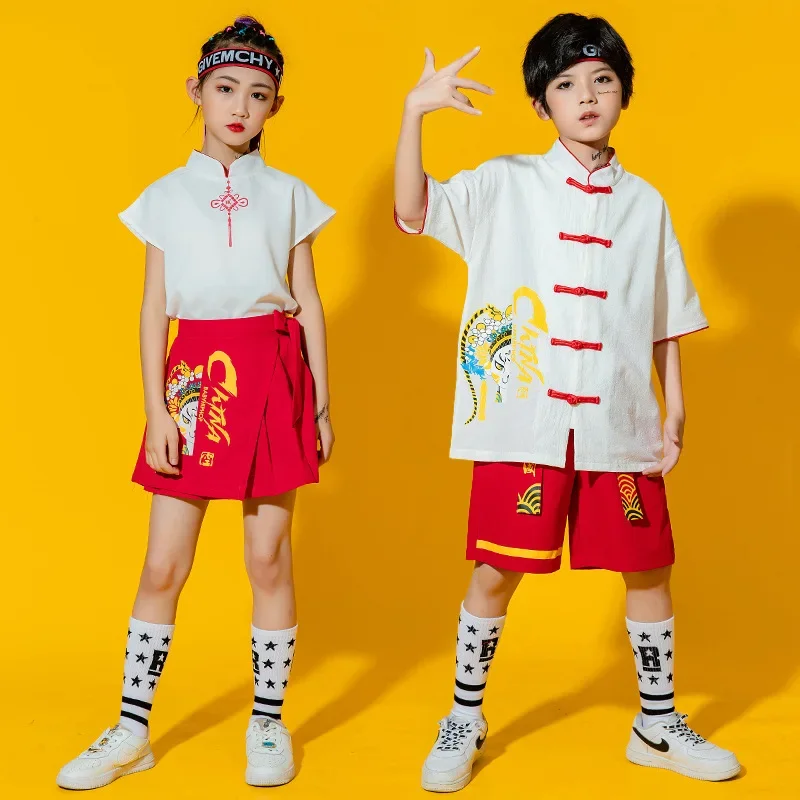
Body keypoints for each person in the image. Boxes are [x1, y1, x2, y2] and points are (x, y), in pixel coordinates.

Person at [393, 12, 740, 791]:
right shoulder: (505, 184)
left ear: (624, 93)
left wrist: (674, 407)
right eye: (566, 84)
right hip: (526, 424)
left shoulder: (646, 204)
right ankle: (464, 715)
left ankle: (656, 723)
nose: (586, 96)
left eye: (602, 80)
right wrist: (415, 114)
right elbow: (415, 210)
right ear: (540, 103)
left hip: (619, 422)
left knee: (648, 568)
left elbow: (664, 314)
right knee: (494, 571)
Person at [57, 16, 335, 790]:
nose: (240, 106)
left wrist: (320, 402)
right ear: (197, 92)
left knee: (268, 557)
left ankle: (268, 721)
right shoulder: (164, 197)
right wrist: (157, 408)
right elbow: (154, 308)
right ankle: (131, 729)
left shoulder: (290, 194)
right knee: (163, 563)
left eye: (258, 93)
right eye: (225, 89)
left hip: (274, 372)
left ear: (277, 105)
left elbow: (309, 300)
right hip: (194, 379)